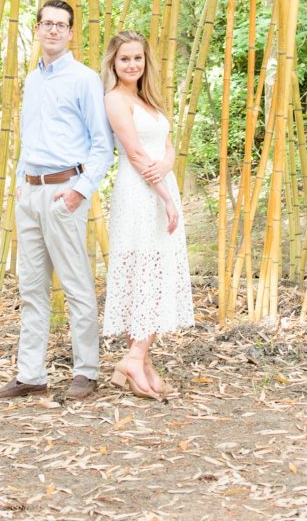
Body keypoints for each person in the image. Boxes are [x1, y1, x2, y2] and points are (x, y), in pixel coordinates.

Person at [0, 0, 114, 402]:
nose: (54, 30)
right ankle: (31, 375)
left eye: (61, 25)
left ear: (72, 32)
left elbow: (102, 144)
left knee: (76, 286)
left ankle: (86, 372)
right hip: (30, 191)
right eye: (47, 23)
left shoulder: (84, 79)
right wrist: (21, 185)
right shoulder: (34, 79)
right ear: (38, 30)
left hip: (65, 192)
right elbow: (30, 137)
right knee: (31, 288)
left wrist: (80, 190)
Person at [102, 29, 194, 400]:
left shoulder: (148, 99)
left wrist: (166, 174)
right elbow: (136, 153)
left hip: (160, 186)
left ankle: (141, 361)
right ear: (113, 62)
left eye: (137, 58)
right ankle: (133, 359)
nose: (132, 64)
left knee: (155, 274)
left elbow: (167, 146)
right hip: (139, 193)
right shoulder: (114, 99)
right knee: (143, 276)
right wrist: (165, 197)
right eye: (125, 58)